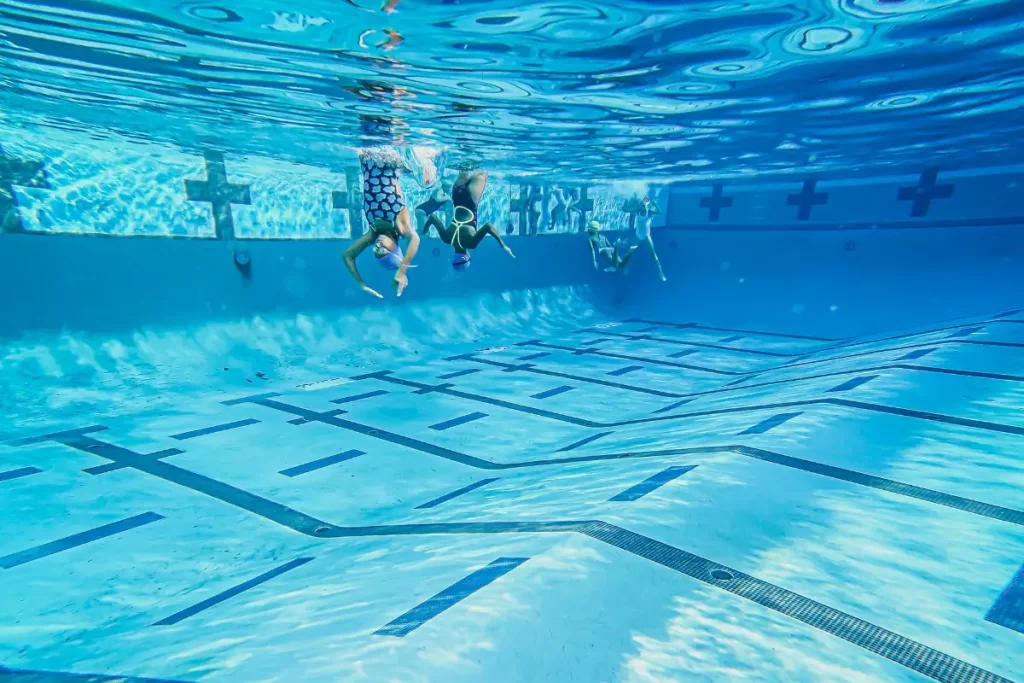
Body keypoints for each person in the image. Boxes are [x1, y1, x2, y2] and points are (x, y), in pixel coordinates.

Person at [343, 147, 432, 298]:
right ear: (395, 248)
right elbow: (415, 239)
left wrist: (361, 284)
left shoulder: (372, 233)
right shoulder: (400, 225)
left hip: (367, 158)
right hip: (389, 159)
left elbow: (347, 256)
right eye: (382, 250)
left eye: (375, 250)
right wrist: (402, 270)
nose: (377, 246)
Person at [421, 170, 515, 269]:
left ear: (467, 257)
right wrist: (424, 231)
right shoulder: (446, 238)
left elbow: (488, 226)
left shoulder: (471, 243)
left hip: (471, 198)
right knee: (466, 166)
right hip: (457, 194)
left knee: (482, 169)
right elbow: (432, 217)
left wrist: (502, 244)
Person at [632, 194, 666, 282]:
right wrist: (630, 201)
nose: (642, 207)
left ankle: (660, 272)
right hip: (638, 235)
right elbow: (625, 209)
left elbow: (660, 212)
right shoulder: (637, 211)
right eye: (641, 205)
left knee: (653, 254)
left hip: (647, 236)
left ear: (646, 205)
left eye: (643, 205)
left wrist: (655, 204)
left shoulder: (649, 212)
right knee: (629, 249)